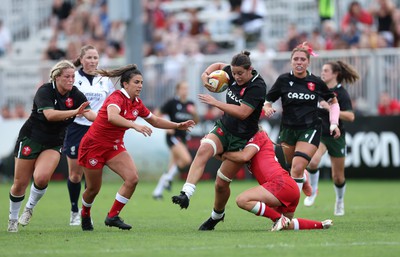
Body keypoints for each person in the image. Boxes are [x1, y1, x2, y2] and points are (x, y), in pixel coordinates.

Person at [78, 64, 195, 231]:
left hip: (114, 147)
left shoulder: (137, 103)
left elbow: (154, 120)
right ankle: (85, 214)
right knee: (93, 189)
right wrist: (134, 125)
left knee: (132, 178)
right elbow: (112, 117)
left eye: (141, 82)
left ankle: (112, 216)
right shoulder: (116, 98)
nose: (140, 86)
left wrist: (178, 125)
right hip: (93, 146)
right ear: (125, 84)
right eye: (136, 82)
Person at [172, 50, 267, 231]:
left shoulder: (258, 86)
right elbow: (216, 66)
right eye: (234, 72)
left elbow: (242, 113)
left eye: (240, 73)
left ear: (250, 70)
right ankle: (186, 193)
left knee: (221, 184)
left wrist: (215, 102)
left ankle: (217, 216)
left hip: (242, 138)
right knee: (203, 150)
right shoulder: (232, 71)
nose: (236, 77)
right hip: (224, 127)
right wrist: (205, 75)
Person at [7, 60, 97, 233]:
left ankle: (29, 209)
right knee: (20, 184)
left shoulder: (75, 94)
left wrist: (107, 120)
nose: (71, 80)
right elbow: (50, 115)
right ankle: (12, 219)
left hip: (54, 142)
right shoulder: (45, 90)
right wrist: (75, 112)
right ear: (56, 77)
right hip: (30, 139)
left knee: (41, 178)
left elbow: (88, 113)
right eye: (67, 77)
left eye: (73, 76)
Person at [263, 42, 341, 197]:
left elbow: (333, 102)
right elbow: (268, 100)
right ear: (291, 62)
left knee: (297, 167)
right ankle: (304, 178)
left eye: (302, 59)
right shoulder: (283, 80)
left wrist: (334, 123)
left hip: (310, 128)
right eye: (296, 59)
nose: (299, 62)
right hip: (288, 129)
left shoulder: (316, 82)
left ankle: (290, 208)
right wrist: (267, 108)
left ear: (308, 62)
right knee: (291, 166)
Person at [222, 129, 333, 231]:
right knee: (286, 225)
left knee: (242, 200)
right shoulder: (251, 140)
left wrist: (222, 152)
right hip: (288, 187)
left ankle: (278, 218)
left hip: (279, 184)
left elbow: (244, 157)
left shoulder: (258, 135)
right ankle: (321, 224)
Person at [64, 45, 115, 226]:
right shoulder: (74, 78)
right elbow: (64, 99)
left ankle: (86, 212)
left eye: (96, 57)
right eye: (90, 57)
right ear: (82, 59)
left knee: (91, 174)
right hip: (76, 128)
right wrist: (70, 110)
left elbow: (111, 102)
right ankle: (74, 210)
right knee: (76, 175)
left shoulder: (104, 79)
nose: (93, 61)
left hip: (97, 130)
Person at [304, 60, 360, 216]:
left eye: (326, 71)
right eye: (322, 70)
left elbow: (350, 116)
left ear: (335, 74)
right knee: (313, 161)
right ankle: (313, 191)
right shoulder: (318, 88)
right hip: (320, 133)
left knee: (338, 177)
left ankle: (340, 201)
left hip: (336, 135)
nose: (323, 73)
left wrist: (332, 110)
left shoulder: (341, 93)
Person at [152, 81, 199, 199]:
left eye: (187, 88)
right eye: (183, 88)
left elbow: (196, 121)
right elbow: (156, 114)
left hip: (183, 138)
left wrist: (194, 113)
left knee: (172, 166)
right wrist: (167, 128)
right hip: (173, 137)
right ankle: (168, 180)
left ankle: (158, 191)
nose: (185, 91)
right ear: (178, 90)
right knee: (186, 160)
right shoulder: (172, 102)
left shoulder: (190, 104)